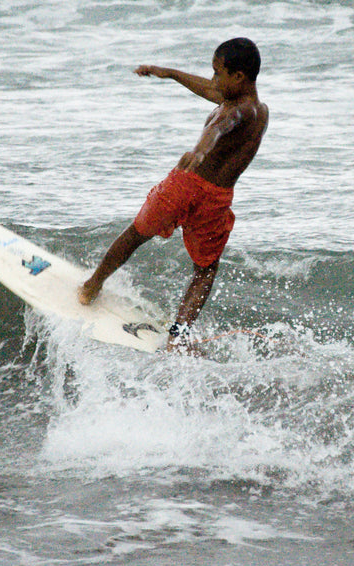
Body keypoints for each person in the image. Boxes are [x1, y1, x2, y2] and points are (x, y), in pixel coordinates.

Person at [78, 37, 269, 352]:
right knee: (205, 270)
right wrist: (168, 73)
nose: (212, 79)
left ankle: (91, 286)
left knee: (137, 234)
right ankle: (177, 338)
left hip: (187, 185)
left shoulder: (238, 111)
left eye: (217, 73)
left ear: (238, 77)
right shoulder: (257, 110)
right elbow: (211, 93)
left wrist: (199, 151)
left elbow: (219, 126)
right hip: (217, 199)